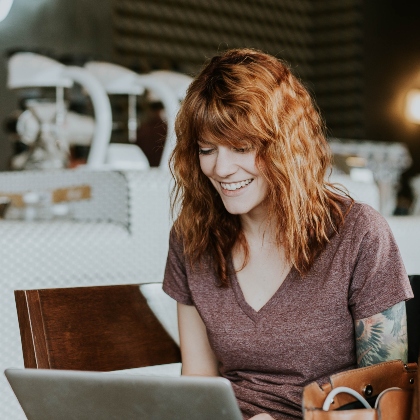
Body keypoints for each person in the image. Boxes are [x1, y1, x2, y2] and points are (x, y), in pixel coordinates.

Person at [162, 48, 413, 420]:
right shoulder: (191, 238)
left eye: (242, 148)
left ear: (285, 146)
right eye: (207, 149)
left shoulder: (359, 234)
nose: (221, 168)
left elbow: (389, 403)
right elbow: (197, 384)